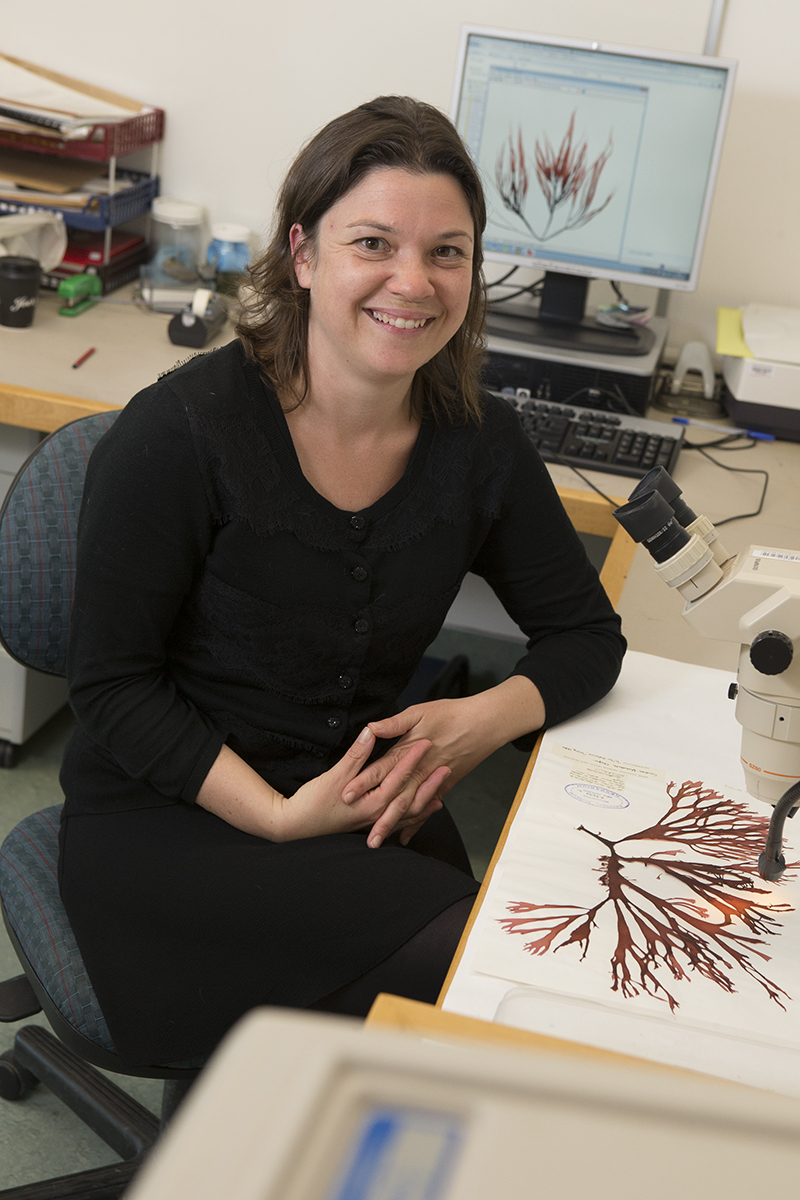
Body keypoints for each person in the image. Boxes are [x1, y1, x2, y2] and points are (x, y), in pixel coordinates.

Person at [58, 95, 626, 1067]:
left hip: (357, 811)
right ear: (304, 256)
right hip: (175, 823)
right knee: (482, 994)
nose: (413, 280)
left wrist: (474, 723)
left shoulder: (476, 440)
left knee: (512, 971)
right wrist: (279, 817)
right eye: (373, 242)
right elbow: (112, 687)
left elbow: (586, 638)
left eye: (447, 251)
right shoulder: (180, 434)